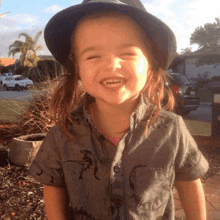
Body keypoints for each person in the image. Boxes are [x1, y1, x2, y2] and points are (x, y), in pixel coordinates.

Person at [29, 0, 209, 219]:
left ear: (151, 65)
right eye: (93, 56)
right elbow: (54, 186)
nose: (111, 65)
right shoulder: (62, 135)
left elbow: (189, 181)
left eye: (127, 53)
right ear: (77, 68)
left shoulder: (172, 130)